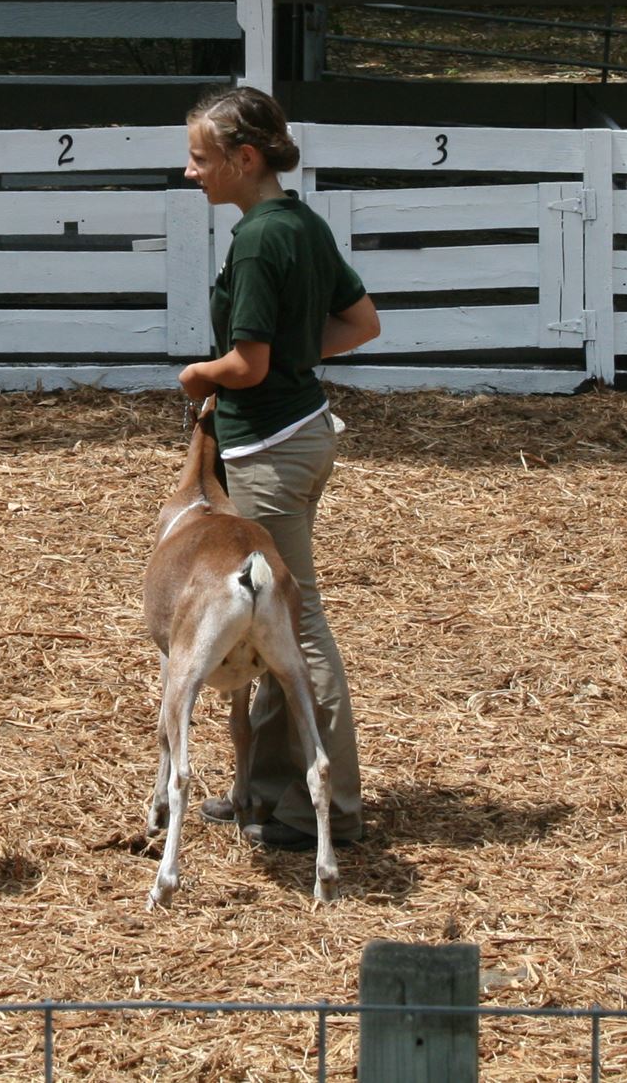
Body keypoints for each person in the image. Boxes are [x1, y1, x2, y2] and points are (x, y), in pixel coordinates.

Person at [176, 87, 382, 852]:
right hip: (300, 435)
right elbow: (361, 323)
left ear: (244, 158)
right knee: (269, 616)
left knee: (298, 628)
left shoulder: (259, 239)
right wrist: (295, 355)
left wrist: (202, 373)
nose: (191, 171)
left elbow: (248, 363)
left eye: (201, 157)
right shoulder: (302, 224)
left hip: (266, 447)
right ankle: (263, 794)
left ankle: (328, 808)